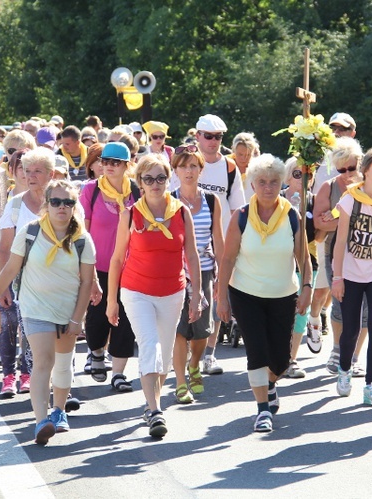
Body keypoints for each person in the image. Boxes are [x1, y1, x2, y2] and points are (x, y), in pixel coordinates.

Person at [0, 179, 95, 445]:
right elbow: (11, 268)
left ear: (74, 206)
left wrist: (77, 319)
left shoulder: (82, 238)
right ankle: (41, 421)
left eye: (68, 203)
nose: (62, 207)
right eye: (55, 202)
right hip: (35, 307)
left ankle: (59, 411)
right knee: (44, 361)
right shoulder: (30, 232)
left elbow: (87, 282)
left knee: (63, 365)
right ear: (46, 205)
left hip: (68, 309)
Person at [106, 155, 201, 438]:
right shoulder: (130, 215)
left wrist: (197, 294)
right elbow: (116, 259)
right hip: (136, 291)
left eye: (161, 178)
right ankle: (155, 409)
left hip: (173, 291)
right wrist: (112, 300)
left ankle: (152, 403)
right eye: (149, 179)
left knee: (167, 357)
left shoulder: (182, 212)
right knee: (150, 346)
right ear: (140, 183)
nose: (155, 184)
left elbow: (192, 255)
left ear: (168, 179)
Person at [217, 154, 312, 433]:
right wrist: (221, 297)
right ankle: (262, 410)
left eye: (273, 181)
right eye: (261, 182)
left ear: (281, 182)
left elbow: (304, 259)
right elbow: (227, 259)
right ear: (252, 184)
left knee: (281, 360)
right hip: (246, 293)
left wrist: (306, 288)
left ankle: (269, 384)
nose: (268, 187)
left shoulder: (292, 216)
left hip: (283, 294)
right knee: (256, 352)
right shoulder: (241, 216)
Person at [172, 114, 246, 375]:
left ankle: (208, 354)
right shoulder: (184, 162)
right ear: (198, 136)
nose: (214, 141)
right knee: (182, 312)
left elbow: (238, 207)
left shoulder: (230, 167)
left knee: (213, 304)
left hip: (216, 245)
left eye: (218, 137)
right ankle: (182, 360)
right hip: (181, 253)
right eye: (208, 136)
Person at [331, 147, 372, 405]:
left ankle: (371, 385)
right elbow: (341, 240)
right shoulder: (349, 199)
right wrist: (337, 277)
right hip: (351, 274)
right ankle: (344, 371)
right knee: (351, 329)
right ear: (366, 169)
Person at [80, 142, 140, 392]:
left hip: (130, 267)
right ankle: (95, 351)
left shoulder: (137, 192)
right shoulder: (90, 191)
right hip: (99, 266)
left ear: (127, 165)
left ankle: (118, 372)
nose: (109, 167)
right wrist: (86, 269)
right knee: (97, 317)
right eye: (105, 161)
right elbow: (81, 231)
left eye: (115, 163)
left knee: (126, 320)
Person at [0, 148, 55, 397]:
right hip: (19, 281)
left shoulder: (60, 201)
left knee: (40, 331)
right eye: (27, 171)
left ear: (50, 174)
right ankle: (9, 375)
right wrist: (3, 286)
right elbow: (4, 249)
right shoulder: (15, 205)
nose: (31, 176)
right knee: (9, 324)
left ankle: (32, 374)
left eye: (37, 171)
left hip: (53, 283)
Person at [170, 145, 224, 403]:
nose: (188, 171)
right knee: (180, 330)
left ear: (201, 170)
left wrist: (222, 277)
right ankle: (180, 381)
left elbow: (219, 240)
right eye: (183, 166)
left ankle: (195, 364)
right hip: (176, 273)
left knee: (202, 330)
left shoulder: (212, 201)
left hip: (204, 270)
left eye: (193, 166)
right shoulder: (169, 200)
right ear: (175, 170)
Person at [313, 136, 368, 375]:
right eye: (341, 169)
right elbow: (318, 223)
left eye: (352, 168)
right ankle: (337, 348)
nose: (347, 173)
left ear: (360, 162)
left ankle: (354, 355)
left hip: (367, 254)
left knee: (365, 308)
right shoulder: (329, 187)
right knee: (341, 302)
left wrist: (336, 220)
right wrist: (346, 223)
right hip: (335, 251)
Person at [310, 112, 359, 339]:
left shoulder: (360, 160)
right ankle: (315, 315)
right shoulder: (317, 157)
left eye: (344, 129)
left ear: (353, 133)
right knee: (323, 284)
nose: (338, 133)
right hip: (325, 233)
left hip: (355, 241)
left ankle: (323, 311)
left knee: (335, 288)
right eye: (334, 128)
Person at [281, 157, 322, 378]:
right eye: (298, 174)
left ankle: (292, 359)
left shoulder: (315, 201)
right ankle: (277, 355)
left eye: (309, 174)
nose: (303, 179)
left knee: (300, 313)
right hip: (279, 264)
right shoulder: (276, 199)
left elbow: (322, 232)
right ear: (287, 177)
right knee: (280, 312)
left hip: (307, 263)